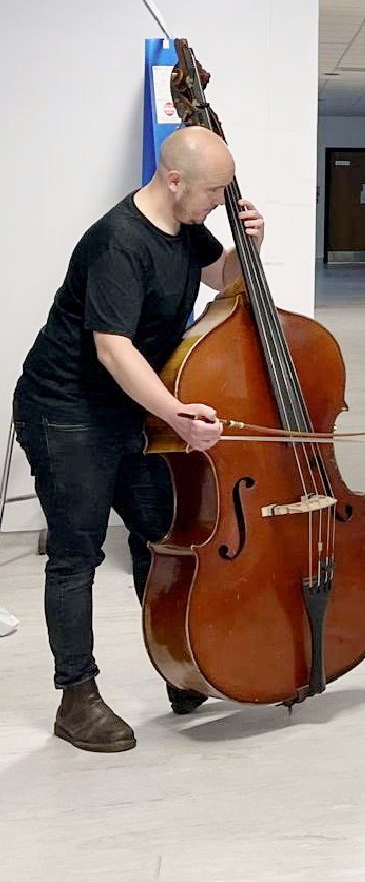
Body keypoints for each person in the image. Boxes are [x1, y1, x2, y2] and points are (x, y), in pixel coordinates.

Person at [13, 125, 264, 753]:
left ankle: (180, 666)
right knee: (78, 553)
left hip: (128, 409)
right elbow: (112, 348)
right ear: (175, 181)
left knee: (163, 537)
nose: (219, 204)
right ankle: (76, 698)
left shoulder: (184, 226)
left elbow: (223, 277)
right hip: (66, 409)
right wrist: (177, 415)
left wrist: (250, 246)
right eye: (213, 192)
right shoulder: (117, 241)